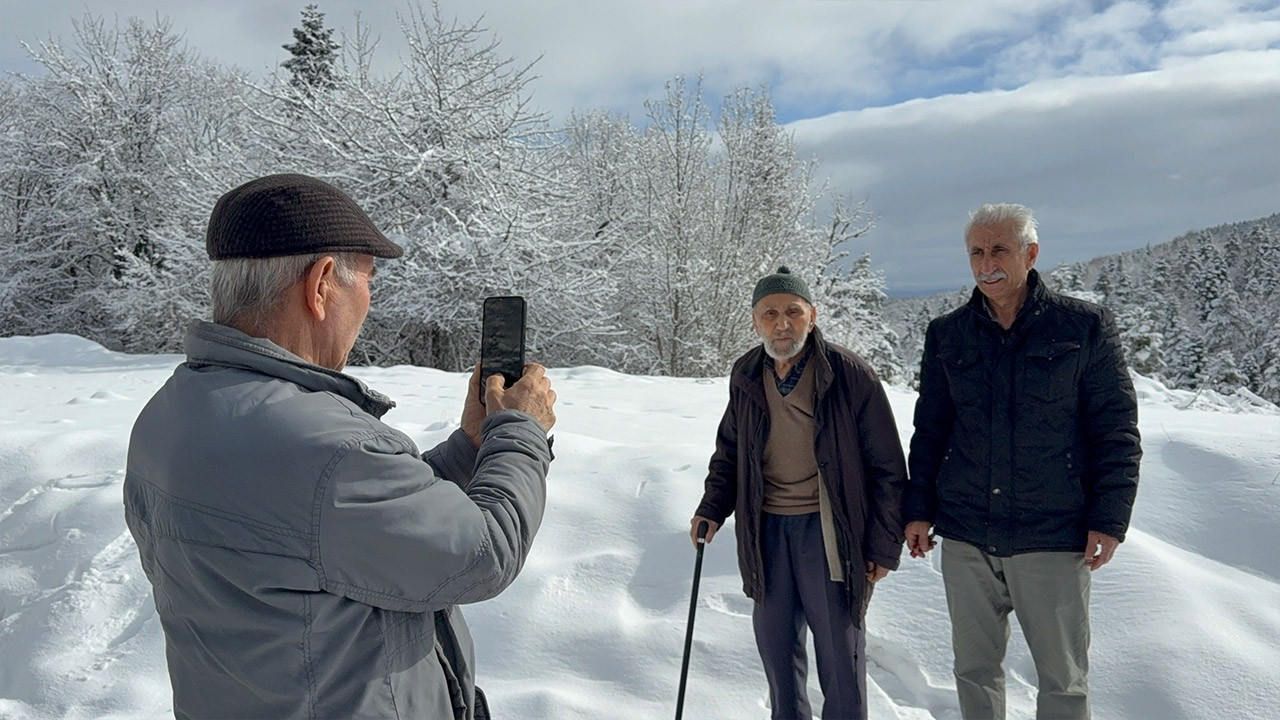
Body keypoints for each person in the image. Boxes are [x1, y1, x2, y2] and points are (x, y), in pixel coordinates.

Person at [123, 173, 556, 720]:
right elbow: (483, 555)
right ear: (322, 284)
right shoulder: (325, 446)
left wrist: (470, 449)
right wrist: (520, 431)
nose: (370, 303)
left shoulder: (171, 412)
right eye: (370, 280)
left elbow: (326, 529)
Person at [904, 203, 1141, 720]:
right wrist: (918, 509)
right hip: (966, 533)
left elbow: (1116, 430)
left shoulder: (1082, 326)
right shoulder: (947, 333)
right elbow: (931, 430)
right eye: (976, 252)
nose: (986, 263)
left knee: (1063, 681)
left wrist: (1109, 519)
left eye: (999, 250)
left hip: (1052, 535)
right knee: (973, 670)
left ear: (1031, 254)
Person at [690, 267, 908, 720]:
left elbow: (888, 466)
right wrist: (712, 507)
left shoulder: (849, 374)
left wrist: (883, 546)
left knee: (840, 657)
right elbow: (730, 451)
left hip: (829, 532)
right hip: (766, 530)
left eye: (793, 311)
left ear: (813, 315)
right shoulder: (747, 373)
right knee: (778, 655)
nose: (782, 323)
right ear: (755, 321)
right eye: (770, 314)